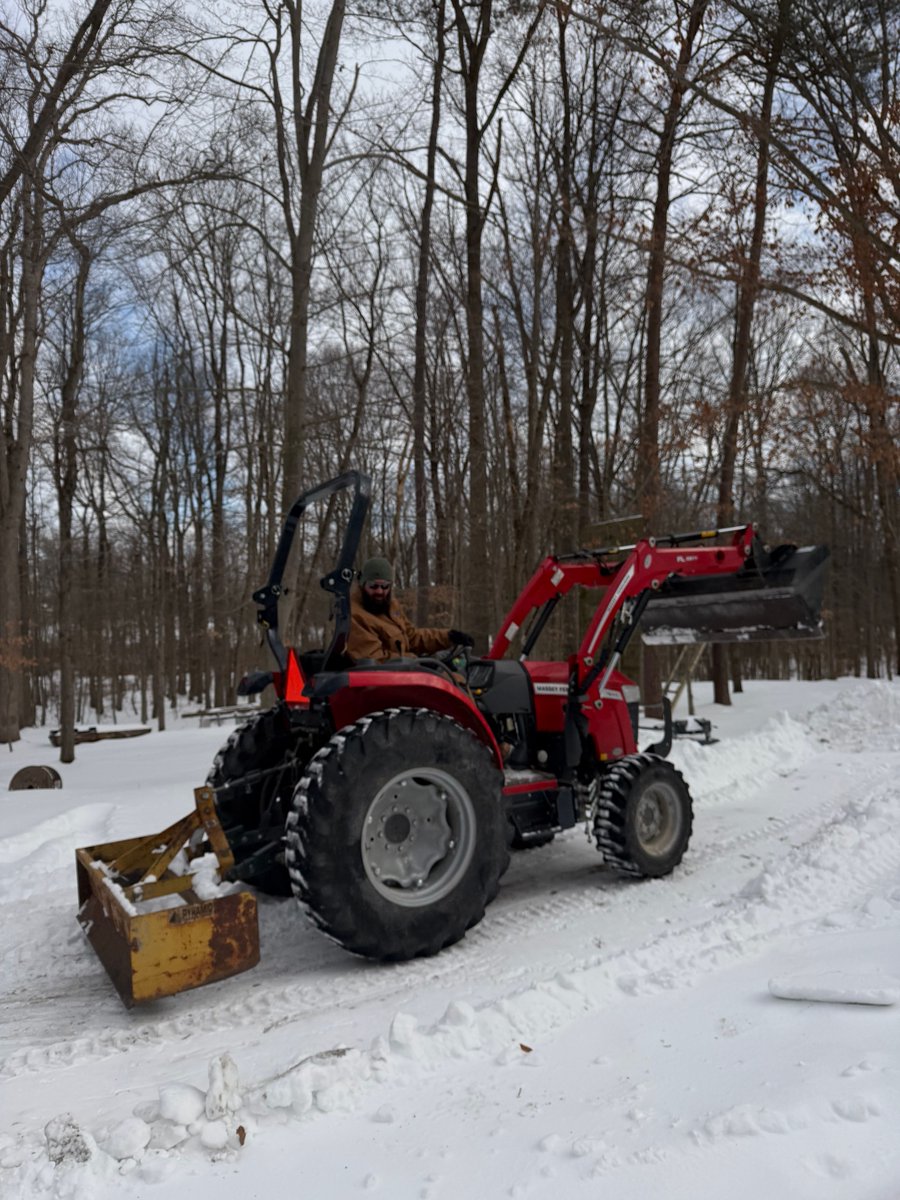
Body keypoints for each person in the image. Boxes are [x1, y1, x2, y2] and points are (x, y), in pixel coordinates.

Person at [346, 556, 473, 663]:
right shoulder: (355, 616)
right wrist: (416, 662)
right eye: (373, 586)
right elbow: (373, 660)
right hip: (381, 683)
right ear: (362, 585)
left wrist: (448, 637)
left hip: (404, 672)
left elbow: (412, 638)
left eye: (385, 586)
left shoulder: (390, 606)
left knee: (460, 677)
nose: (379, 591)